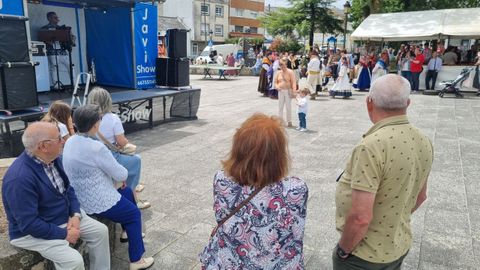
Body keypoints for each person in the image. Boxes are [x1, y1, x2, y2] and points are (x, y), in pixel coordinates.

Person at [333, 74, 434, 270]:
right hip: (398, 244)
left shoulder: (371, 147)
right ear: (408, 103)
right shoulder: (424, 140)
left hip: (364, 256)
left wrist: (343, 250)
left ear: (369, 103)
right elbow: (421, 197)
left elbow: (361, 217)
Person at [200, 113, 308, 269]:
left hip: (227, 261)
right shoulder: (295, 190)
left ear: (238, 148)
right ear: (279, 155)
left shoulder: (221, 179)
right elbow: (296, 236)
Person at [2, 122, 110, 270]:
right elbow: (28, 224)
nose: (64, 141)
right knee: (73, 261)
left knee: (100, 231)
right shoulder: (19, 179)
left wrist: (76, 215)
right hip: (30, 233)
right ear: (43, 146)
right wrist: (64, 233)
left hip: (62, 218)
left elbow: (69, 189)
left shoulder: (53, 159)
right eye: (59, 138)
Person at [62, 105, 154, 270]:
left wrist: (117, 180)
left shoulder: (70, 141)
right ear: (96, 125)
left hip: (79, 195)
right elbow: (121, 174)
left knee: (126, 192)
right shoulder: (96, 147)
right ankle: (137, 260)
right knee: (133, 213)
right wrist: (119, 178)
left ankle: (128, 232)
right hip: (97, 200)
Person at [87, 87, 150, 209]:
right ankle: (133, 194)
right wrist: (124, 143)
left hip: (91, 156)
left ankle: (130, 187)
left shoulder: (86, 118)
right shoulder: (112, 118)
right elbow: (122, 142)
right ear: (107, 101)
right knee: (136, 160)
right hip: (109, 155)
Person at [41, 12, 74, 89]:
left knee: (70, 67)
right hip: (52, 52)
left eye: (57, 17)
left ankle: (75, 84)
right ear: (49, 18)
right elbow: (42, 39)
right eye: (55, 17)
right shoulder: (44, 28)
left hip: (62, 51)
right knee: (54, 68)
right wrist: (48, 41)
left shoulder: (61, 28)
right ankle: (56, 86)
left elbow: (69, 38)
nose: (57, 19)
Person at [273, 58, 297, 127]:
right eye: (281, 65)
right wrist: (277, 87)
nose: (282, 67)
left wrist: (294, 91)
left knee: (288, 107)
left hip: (288, 91)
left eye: (283, 65)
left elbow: (293, 82)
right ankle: (280, 121)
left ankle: (289, 121)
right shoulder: (278, 73)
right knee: (280, 107)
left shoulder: (290, 72)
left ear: (286, 65)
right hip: (280, 91)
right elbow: (275, 82)